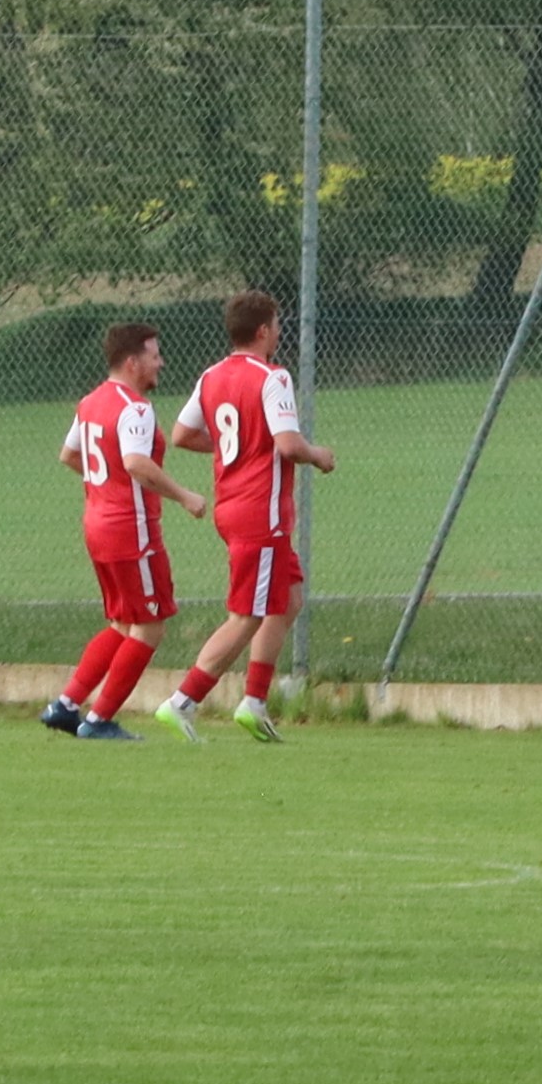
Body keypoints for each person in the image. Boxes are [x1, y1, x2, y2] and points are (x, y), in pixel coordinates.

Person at [159, 289, 331, 744]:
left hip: (231, 506)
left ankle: (254, 701)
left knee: (288, 598)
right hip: (260, 511)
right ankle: (182, 701)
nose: (279, 333)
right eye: (276, 325)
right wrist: (318, 455)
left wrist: (233, 448)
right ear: (263, 331)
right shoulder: (273, 377)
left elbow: (182, 434)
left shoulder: (212, 376)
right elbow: (288, 445)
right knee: (246, 615)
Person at [47, 319, 204, 741]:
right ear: (132, 362)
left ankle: (65, 705)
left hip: (97, 525)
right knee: (150, 626)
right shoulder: (135, 408)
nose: (161, 363)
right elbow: (135, 463)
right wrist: (184, 496)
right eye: (154, 355)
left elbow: (69, 455)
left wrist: (105, 485)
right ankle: (99, 720)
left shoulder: (91, 401)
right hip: (130, 531)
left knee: (122, 623)